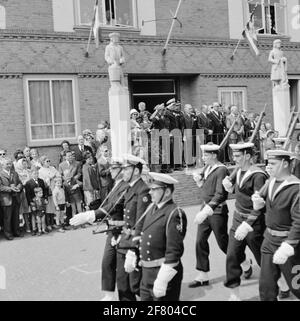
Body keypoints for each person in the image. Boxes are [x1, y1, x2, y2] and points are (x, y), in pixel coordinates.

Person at [70, 157, 128, 301]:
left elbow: (114, 206)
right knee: (107, 262)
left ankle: (133, 293)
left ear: (122, 170)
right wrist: (94, 209)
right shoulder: (115, 184)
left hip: (123, 231)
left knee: (125, 267)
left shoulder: (126, 186)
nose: (111, 171)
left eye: (114, 169)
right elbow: (107, 203)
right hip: (112, 229)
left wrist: (91, 215)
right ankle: (109, 294)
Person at [128, 172, 187, 301]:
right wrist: (133, 250)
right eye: (150, 189)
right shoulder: (151, 208)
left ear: (166, 192)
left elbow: (174, 250)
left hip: (163, 273)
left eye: (154, 189)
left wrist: (163, 278)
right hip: (147, 273)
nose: (150, 193)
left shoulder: (174, 213)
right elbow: (141, 231)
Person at [252, 149, 300, 301]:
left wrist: (288, 246)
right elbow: (264, 200)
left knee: (297, 287)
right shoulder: (271, 181)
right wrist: (258, 203)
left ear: (285, 164)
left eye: (273, 163)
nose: (269, 167)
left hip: (288, 245)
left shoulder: (296, 188)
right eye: (268, 163)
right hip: (269, 241)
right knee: (266, 286)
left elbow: (299, 221)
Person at [222, 142, 268, 300]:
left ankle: (281, 282)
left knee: (263, 258)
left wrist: (248, 224)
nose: (234, 158)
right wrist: (228, 187)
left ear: (248, 156)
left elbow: (259, 205)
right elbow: (239, 192)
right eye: (233, 155)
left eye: (237, 156)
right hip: (237, 219)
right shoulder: (239, 171)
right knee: (232, 255)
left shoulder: (258, 175)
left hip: (253, 223)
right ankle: (234, 293)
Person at [189, 143, 229, 287]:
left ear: (214, 155)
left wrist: (207, 209)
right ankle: (202, 274)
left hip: (217, 211)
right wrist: (200, 182)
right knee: (200, 241)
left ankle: (243, 262)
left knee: (223, 243)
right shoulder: (208, 168)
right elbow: (207, 188)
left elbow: (220, 194)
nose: (203, 157)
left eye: (206, 155)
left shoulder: (222, 170)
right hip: (205, 208)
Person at [116, 154, 151, 301]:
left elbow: (140, 222)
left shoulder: (142, 190)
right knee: (123, 284)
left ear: (136, 171)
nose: (122, 172)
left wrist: (133, 248)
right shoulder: (129, 188)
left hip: (133, 243)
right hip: (125, 239)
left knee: (135, 285)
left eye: (126, 169)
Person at [0, 157, 23, 240]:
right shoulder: (0, 174)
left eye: (10, 163)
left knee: (15, 216)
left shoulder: (14, 173)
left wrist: (18, 187)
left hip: (15, 197)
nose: (9, 165)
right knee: (7, 218)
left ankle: (16, 232)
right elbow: (1, 187)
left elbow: (20, 183)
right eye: (7, 164)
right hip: (6, 199)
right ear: (2, 165)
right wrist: (10, 189)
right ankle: (8, 234)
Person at [59, 150, 83, 219]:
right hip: (67, 187)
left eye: (71, 155)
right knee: (72, 207)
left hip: (75, 184)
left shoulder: (77, 163)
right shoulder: (61, 165)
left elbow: (79, 173)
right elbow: (60, 175)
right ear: (65, 157)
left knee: (79, 206)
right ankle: (73, 221)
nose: (70, 157)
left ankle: (81, 220)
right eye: (68, 156)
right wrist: (66, 179)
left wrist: (74, 179)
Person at [25, 167, 48, 235]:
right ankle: (34, 229)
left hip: (41, 201)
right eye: (34, 173)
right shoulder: (28, 183)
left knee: (42, 214)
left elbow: (44, 190)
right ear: (31, 174)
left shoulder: (41, 180)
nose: (36, 175)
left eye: (37, 173)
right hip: (33, 201)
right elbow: (28, 194)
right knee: (33, 215)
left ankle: (43, 228)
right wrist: (30, 202)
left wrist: (45, 198)